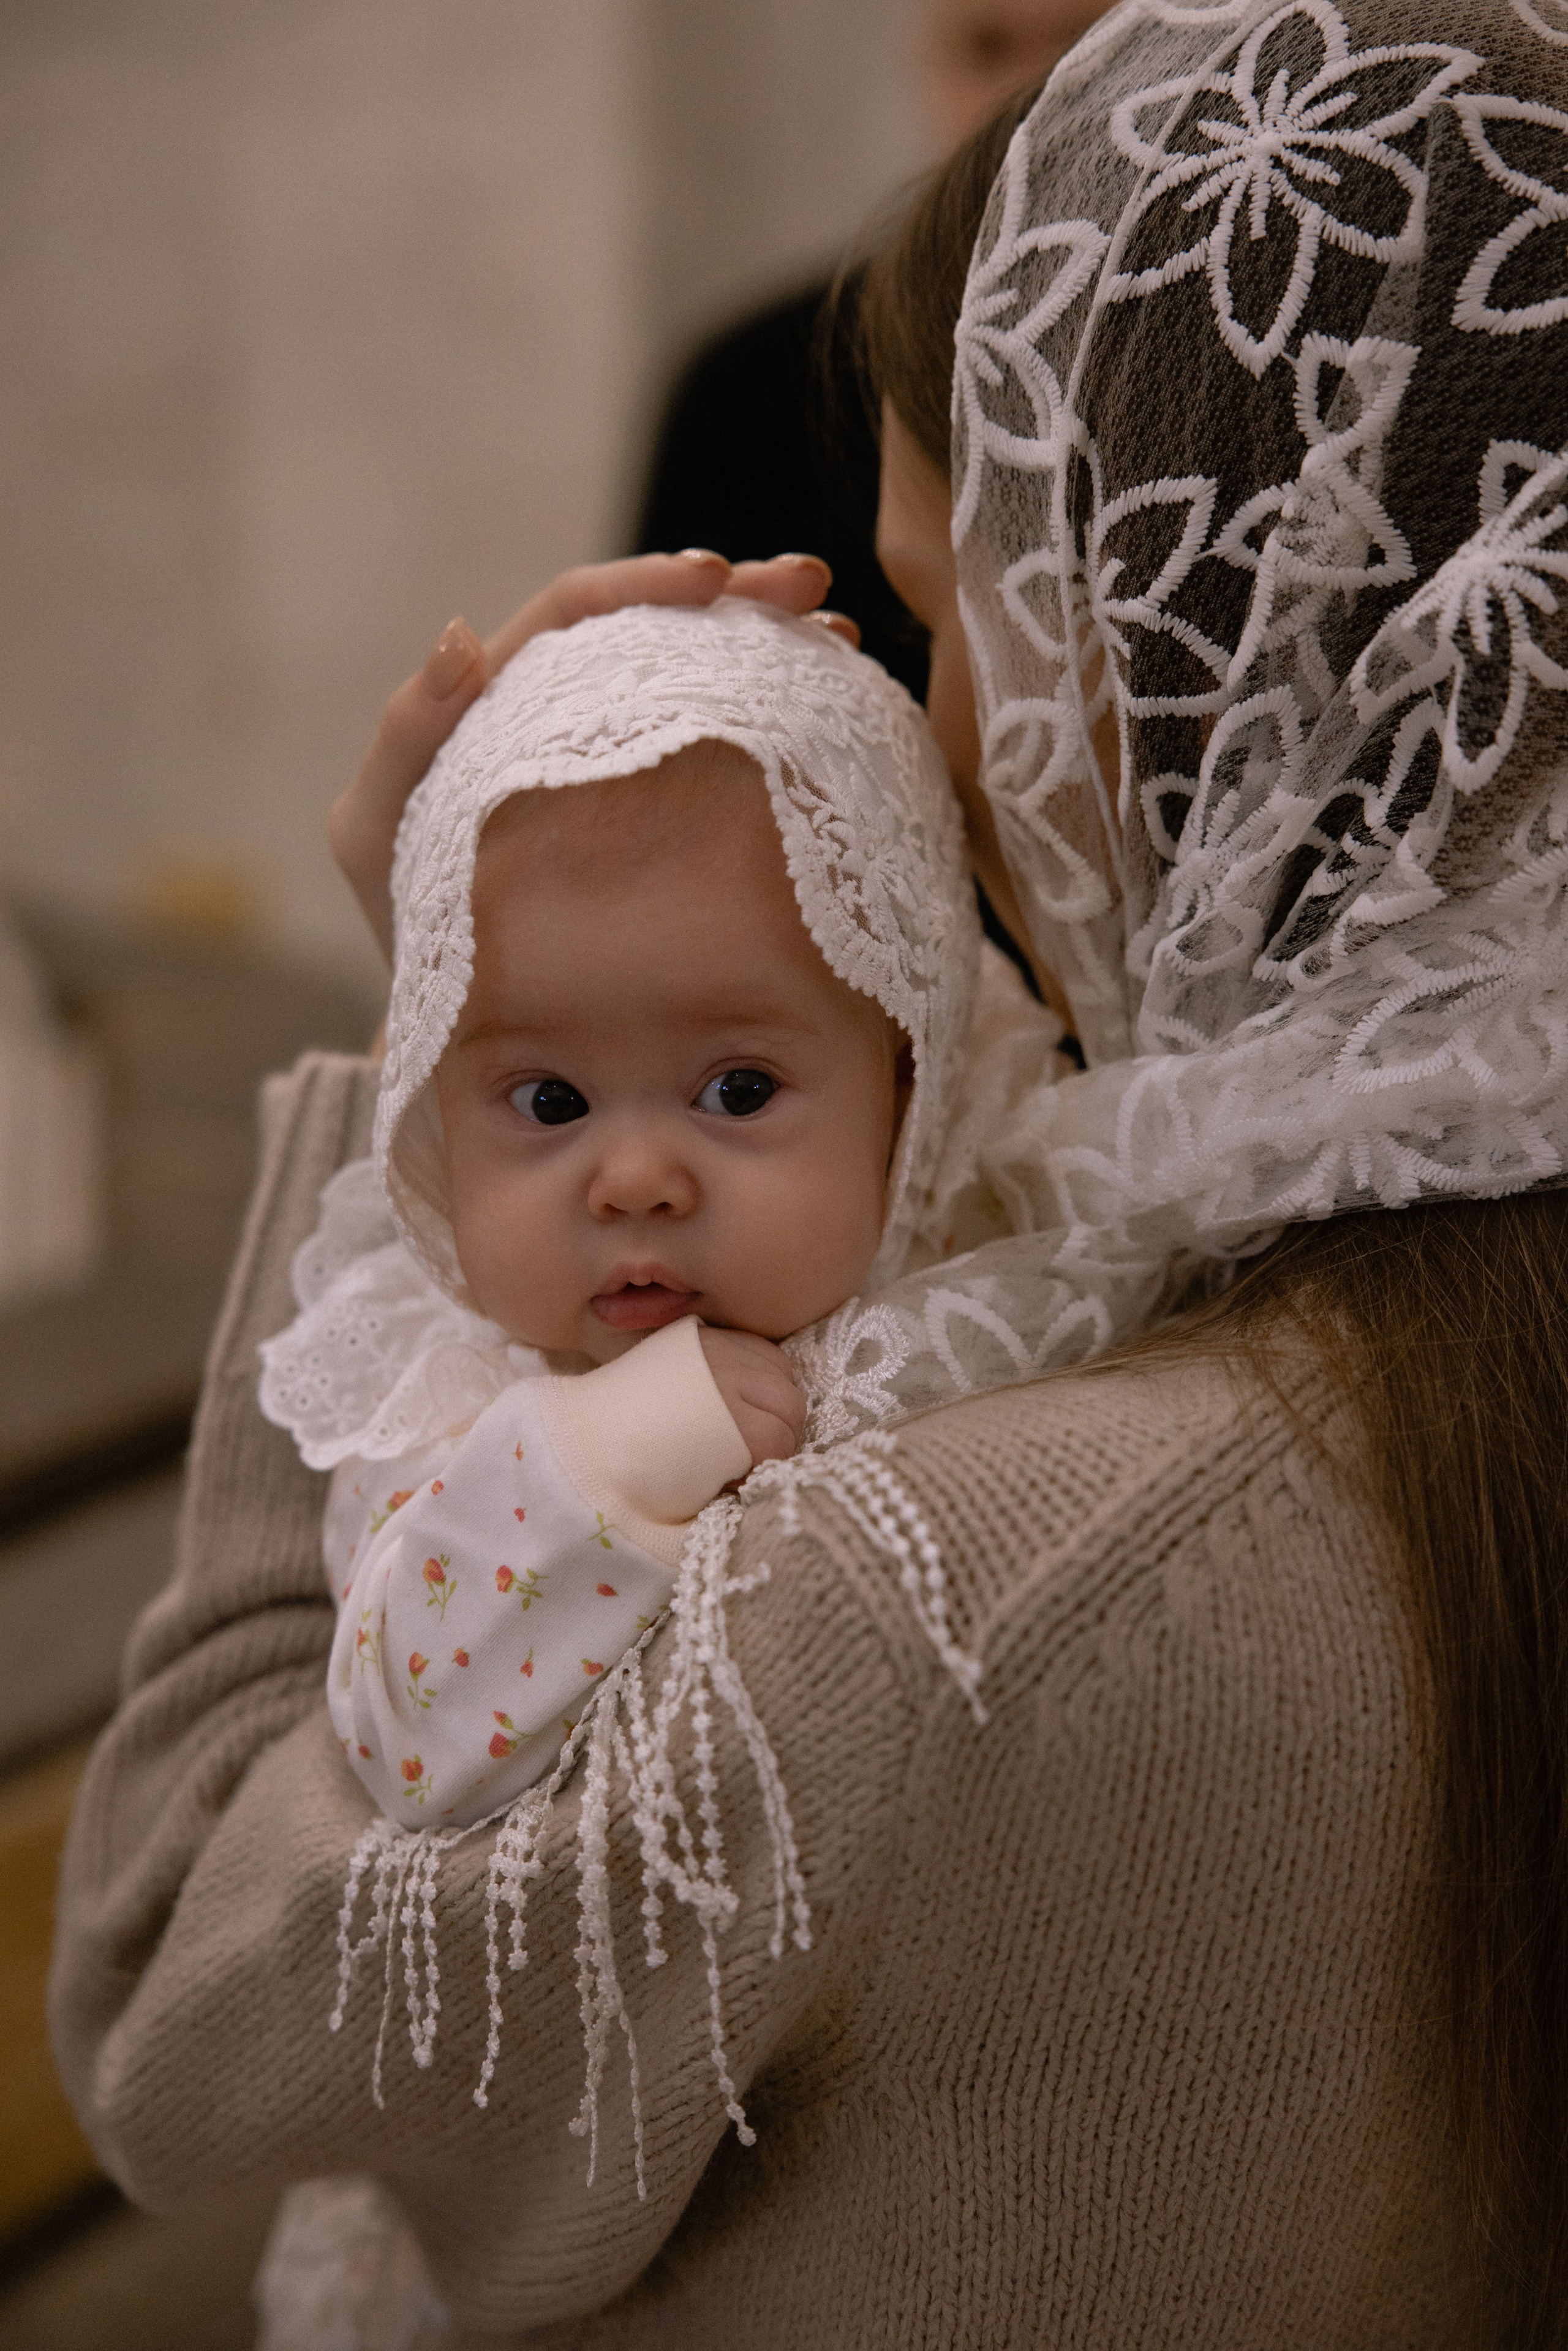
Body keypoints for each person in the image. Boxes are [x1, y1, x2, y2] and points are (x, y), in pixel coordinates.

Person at [51, 7, 1568, 2347]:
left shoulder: (902, 1596)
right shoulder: (1357, 1320)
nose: (945, 758)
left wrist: (418, 1065)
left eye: (953, 619)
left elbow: (175, 2012)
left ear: (1172, 662)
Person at [257, 595, 1052, 1832]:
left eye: (736, 1090)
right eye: (548, 1097)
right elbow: (400, 1738)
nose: (632, 1179)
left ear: (911, 1089)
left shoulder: (991, 1284)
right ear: (430, 1111)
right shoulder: (446, 1393)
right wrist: (599, 1457)